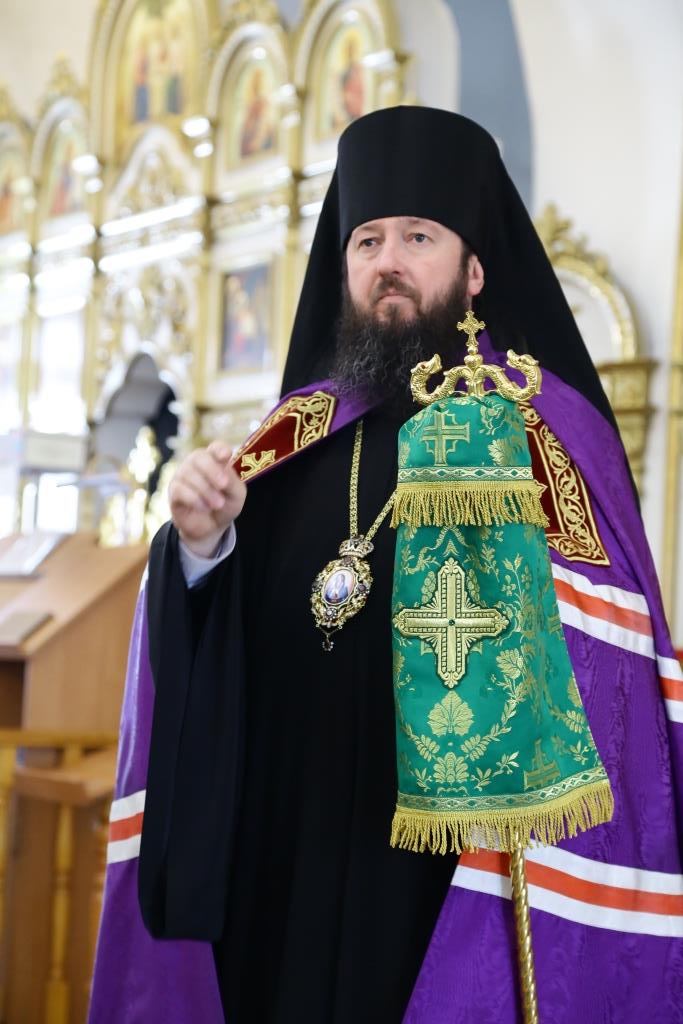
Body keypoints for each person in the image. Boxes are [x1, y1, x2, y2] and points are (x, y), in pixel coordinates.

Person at [90, 107, 683, 1023]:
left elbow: (610, 666)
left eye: (418, 236)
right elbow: (218, 639)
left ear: (473, 270)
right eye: (366, 240)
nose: (388, 261)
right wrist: (201, 546)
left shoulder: (544, 438)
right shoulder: (294, 436)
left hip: (449, 879)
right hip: (290, 844)